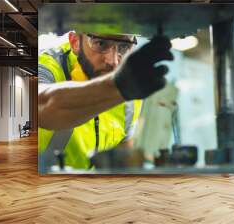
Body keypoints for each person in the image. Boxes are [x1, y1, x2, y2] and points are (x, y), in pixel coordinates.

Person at [38, 31, 173, 171]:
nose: (113, 61)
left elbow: (123, 154)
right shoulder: (47, 65)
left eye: (124, 47)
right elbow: (41, 106)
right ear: (75, 41)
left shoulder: (130, 92)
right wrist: (117, 86)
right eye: (100, 43)